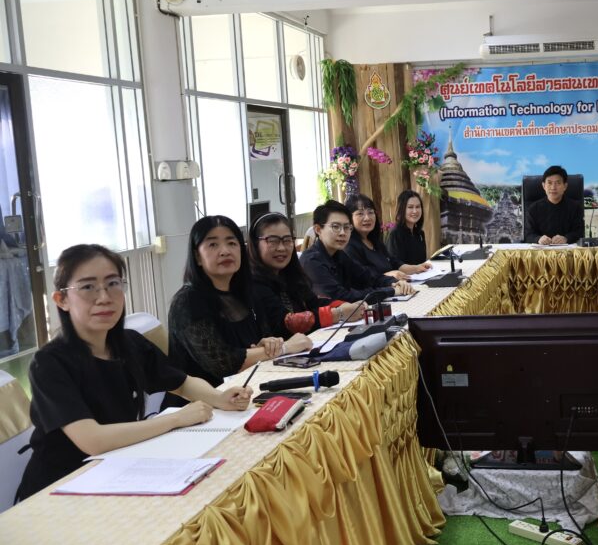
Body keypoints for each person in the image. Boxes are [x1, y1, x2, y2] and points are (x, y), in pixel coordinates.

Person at [16, 244, 252, 500]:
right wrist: (175, 419)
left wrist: (219, 398)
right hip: (62, 487)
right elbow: (93, 440)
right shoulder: (49, 363)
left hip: (121, 469)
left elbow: (182, 383)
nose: (104, 297)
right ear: (61, 300)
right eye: (87, 287)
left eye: (113, 283)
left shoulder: (129, 344)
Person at [167, 216, 311, 406]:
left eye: (232, 243)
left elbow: (260, 341)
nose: (225, 251)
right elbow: (223, 363)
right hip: (201, 407)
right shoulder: (186, 302)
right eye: (213, 245)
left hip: (248, 391)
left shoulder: (246, 292)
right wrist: (284, 348)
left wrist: (268, 343)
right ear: (197, 257)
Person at [250, 212, 366, 337]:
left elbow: (313, 302)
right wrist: (339, 314)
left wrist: (344, 305)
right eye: (273, 241)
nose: (281, 248)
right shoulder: (254, 283)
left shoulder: (290, 275)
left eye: (287, 240)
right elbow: (286, 323)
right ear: (255, 244)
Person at [300, 200, 415, 301]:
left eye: (347, 227)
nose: (342, 233)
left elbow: (368, 277)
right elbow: (340, 297)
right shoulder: (311, 261)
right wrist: (390, 291)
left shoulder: (339, 255)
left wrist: (393, 282)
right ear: (318, 229)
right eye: (335, 227)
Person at [345, 194, 431, 279]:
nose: (367, 218)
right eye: (360, 214)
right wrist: (387, 275)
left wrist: (416, 268)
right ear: (349, 218)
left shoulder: (375, 242)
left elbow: (394, 263)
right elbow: (361, 277)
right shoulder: (349, 247)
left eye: (370, 212)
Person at [523, 165, 585, 245]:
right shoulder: (533, 209)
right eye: (549, 183)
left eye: (558, 183)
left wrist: (566, 238)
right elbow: (528, 235)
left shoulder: (575, 207)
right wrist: (538, 239)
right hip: (541, 251)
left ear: (565, 186)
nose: (553, 187)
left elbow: (579, 232)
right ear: (543, 186)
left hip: (567, 251)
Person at [387, 190, 429, 265]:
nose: (415, 211)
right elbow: (395, 264)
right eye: (410, 207)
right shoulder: (395, 234)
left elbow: (422, 261)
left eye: (418, 207)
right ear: (402, 209)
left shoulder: (420, 234)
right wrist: (417, 269)